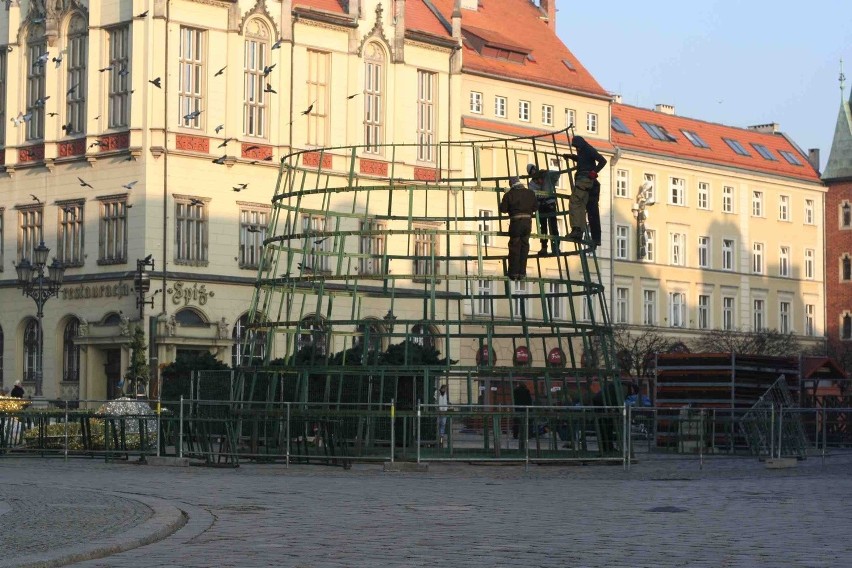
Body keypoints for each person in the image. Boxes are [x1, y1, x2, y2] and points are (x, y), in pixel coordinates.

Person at [566, 135, 607, 247]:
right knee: (591, 211)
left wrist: (594, 172)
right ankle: (595, 238)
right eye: (576, 148)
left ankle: (577, 231)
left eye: (578, 147)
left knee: (575, 203)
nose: (577, 149)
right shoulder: (583, 150)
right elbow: (584, 160)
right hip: (590, 184)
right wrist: (572, 157)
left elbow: (603, 161)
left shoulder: (588, 149)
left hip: (585, 181)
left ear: (581, 145)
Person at [527, 155, 572, 255]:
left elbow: (557, 174)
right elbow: (532, 195)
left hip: (550, 204)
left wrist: (547, 172)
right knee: (543, 227)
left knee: (553, 226)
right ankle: (544, 247)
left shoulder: (547, 176)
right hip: (541, 206)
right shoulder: (532, 184)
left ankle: (555, 247)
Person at [499, 176, 538, 280]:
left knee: (514, 248)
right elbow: (535, 207)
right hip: (527, 223)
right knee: (524, 247)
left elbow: (503, 209)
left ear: (511, 184)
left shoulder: (509, 195)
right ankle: (522, 273)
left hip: (516, 223)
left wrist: (501, 204)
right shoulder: (530, 193)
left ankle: (513, 273)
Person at [512, 382, 533, 447]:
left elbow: (514, 400)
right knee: (527, 423)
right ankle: (527, 435)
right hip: (526, 409)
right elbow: (529, 400)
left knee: (517, 422)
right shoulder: (527, 391)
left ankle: (515, 435)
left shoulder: (515, 391)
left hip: (518, 409)